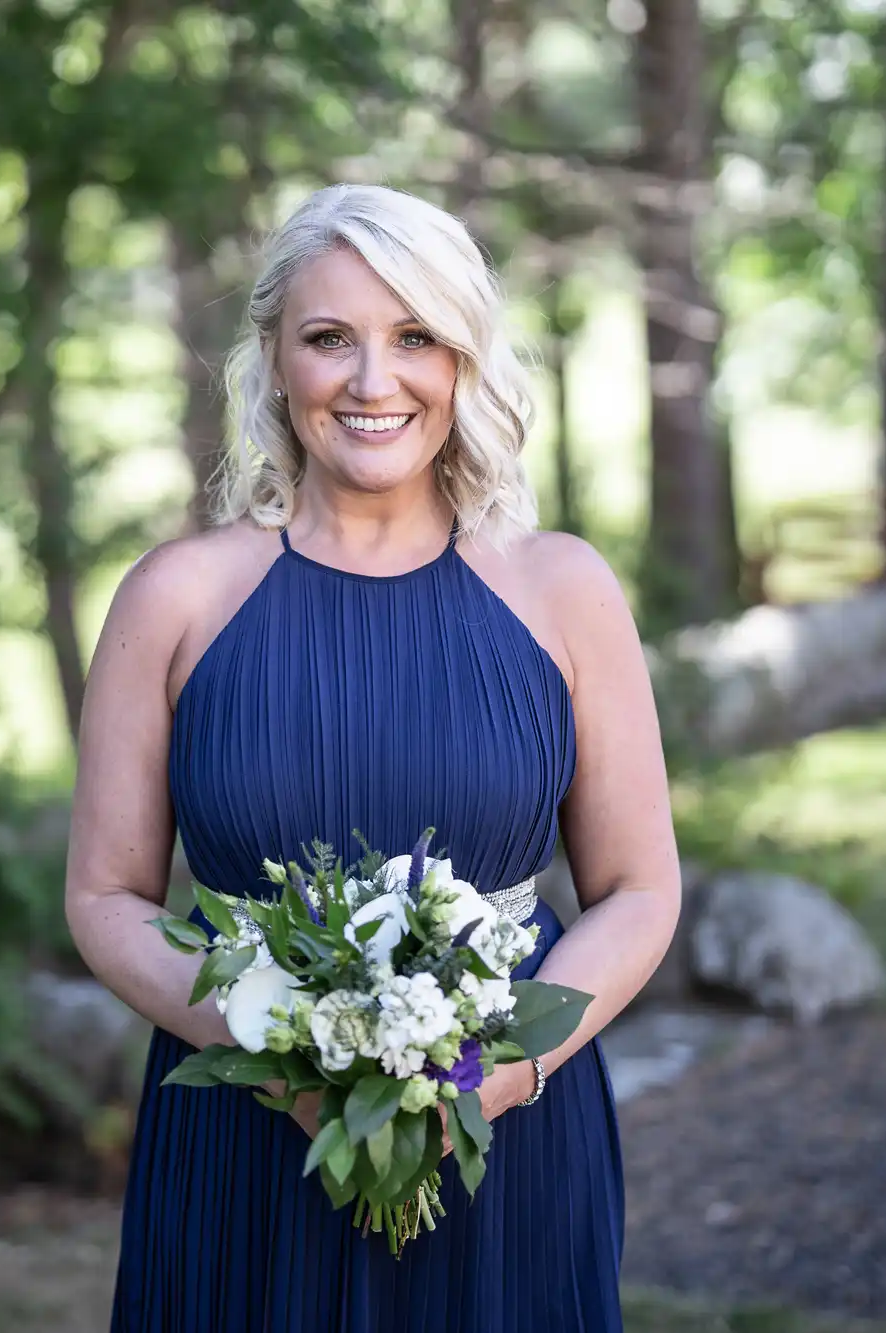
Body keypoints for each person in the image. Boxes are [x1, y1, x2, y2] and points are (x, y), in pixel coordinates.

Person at [65, 182, 683, 1332]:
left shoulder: (561, 591)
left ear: (464, 361)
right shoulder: (174, 599)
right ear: (271, 359)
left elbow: (640, 889)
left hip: (506, 1142)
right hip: (244, 1134)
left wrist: (498, 1073)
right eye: (327, 339)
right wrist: (275, 1056)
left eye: (414, 338)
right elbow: (104, 897)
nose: (370, 381)